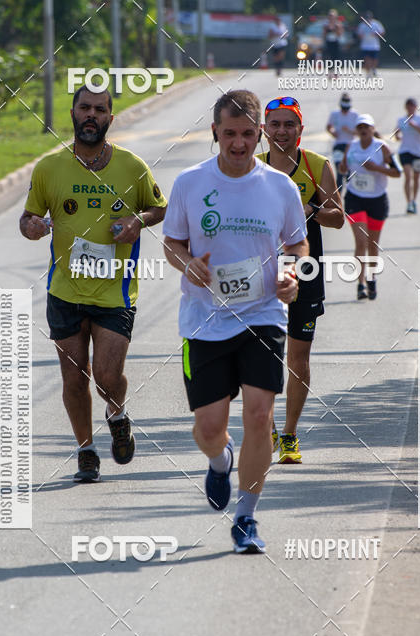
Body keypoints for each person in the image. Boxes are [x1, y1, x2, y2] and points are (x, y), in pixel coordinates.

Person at [162, 89, 308, 553]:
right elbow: (171, 243)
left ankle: (246, 518)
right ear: (215, 133)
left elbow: (299, 245)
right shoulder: (189, 182)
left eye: (248, 134)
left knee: (260, 416)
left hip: (263, 315)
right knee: (208, 429)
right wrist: (187, 264)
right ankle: (220, 461)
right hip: (205, 319)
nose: (239, 143)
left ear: (259, 134)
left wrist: (291, 273)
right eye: (230, 134)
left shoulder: (280, 187)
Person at [20, 86, 166, 482]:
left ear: (109, 119)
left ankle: (117, 413)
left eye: (99, 110)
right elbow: (28, 218)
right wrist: (32, 227)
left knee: (105, 376)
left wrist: (138, 221)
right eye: (84, 107)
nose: (91, 115)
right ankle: (85, 450)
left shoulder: (132, 166)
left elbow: (159, 207)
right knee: (73, 377)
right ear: (72, 113)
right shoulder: (49, 168)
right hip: (64, 291)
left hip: (114, 291)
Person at [259, 96, 344, 464]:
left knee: (298, 357)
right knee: (261, 357)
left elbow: (339, 217)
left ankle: (290, 433)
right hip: (260, 276)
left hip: (305, 273)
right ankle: (267, 428)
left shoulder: (316, 166)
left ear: (300, 129)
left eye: (288, 124)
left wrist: (310, 209)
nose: (282, 131)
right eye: (275, 124)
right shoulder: (251, 167)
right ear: (263, 130)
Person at [339, 113, 401, 300]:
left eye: (367, 127)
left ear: (373, 129)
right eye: (360, 127)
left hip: (377, 200)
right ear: (357, 131)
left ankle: (371, 278)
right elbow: (342, 169)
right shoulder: (351, 146)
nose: (364, 130)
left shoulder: (381, 148)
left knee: (373, 244)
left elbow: (397, 172)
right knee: (361, 242)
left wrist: (377, 168)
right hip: (355, 198)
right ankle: (360, 285)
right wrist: (342, 166)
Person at [394, 98, 420, 214]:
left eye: (413, 106)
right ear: (406, 107)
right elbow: (396, 133)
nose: (411, 108)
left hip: (418, 152)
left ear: (416, 107)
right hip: (405, 151)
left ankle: (414, 200)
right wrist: (397, 136)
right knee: (408, 176)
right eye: (409, 106)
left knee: (416, 178)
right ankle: (409, 202)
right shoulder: (401, 120)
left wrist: (415, 126)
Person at [326, 92, 360, 192]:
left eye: (346, 109)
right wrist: (333, 133)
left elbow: (360, 132)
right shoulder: (334, 114)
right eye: (343, 109)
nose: (345, 111)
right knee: (339, 173)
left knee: (349, 174)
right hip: (338, 145)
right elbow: (328, 126)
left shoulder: (355, 114)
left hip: (351, 146)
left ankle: (350, 197)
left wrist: (349, 130)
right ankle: (338, 201)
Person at [357, 11, 385, 77]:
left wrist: (375, 34)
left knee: (374, 59)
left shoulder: (376, 24)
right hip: (365, 45)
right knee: (367, 59)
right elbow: (359, 34)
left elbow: (382, 32)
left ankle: (373, 69)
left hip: (374, 45)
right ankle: (368, 71)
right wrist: (361, 36)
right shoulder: (362, 25)